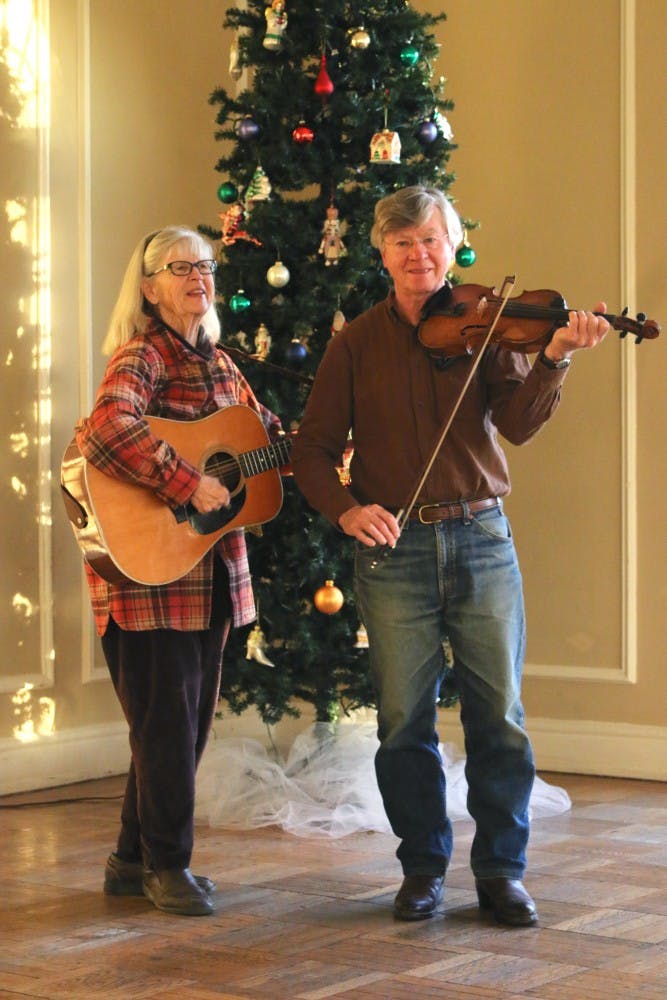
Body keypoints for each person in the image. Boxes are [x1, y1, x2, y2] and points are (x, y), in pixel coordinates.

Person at [291, 186, 609, 927]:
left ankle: (501, 872)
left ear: (451, 245)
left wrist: (555, 357)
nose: (417, 255)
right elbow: (309, 451)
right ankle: (422, 869)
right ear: (381, 253)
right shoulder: (355, 343)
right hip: (394, 549)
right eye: (402, 243)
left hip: (481, 537)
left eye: (429, 240)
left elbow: (519, 427)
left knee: (498, 714)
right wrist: (346, 508)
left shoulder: (490, 333)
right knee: (403, 722)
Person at [75, 226, 282, 916]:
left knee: (180, 726)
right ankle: (168, 866)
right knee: (166, 726)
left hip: (210, 570)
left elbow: (265, 436)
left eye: (205, 265)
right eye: (179, 266)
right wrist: (185, 482)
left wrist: (322, 445)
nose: (198, 276)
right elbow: (106, 428)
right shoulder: (142, 355)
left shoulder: (222, 364)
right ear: (148, 287)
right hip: (149, 577)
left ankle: (130, 862)